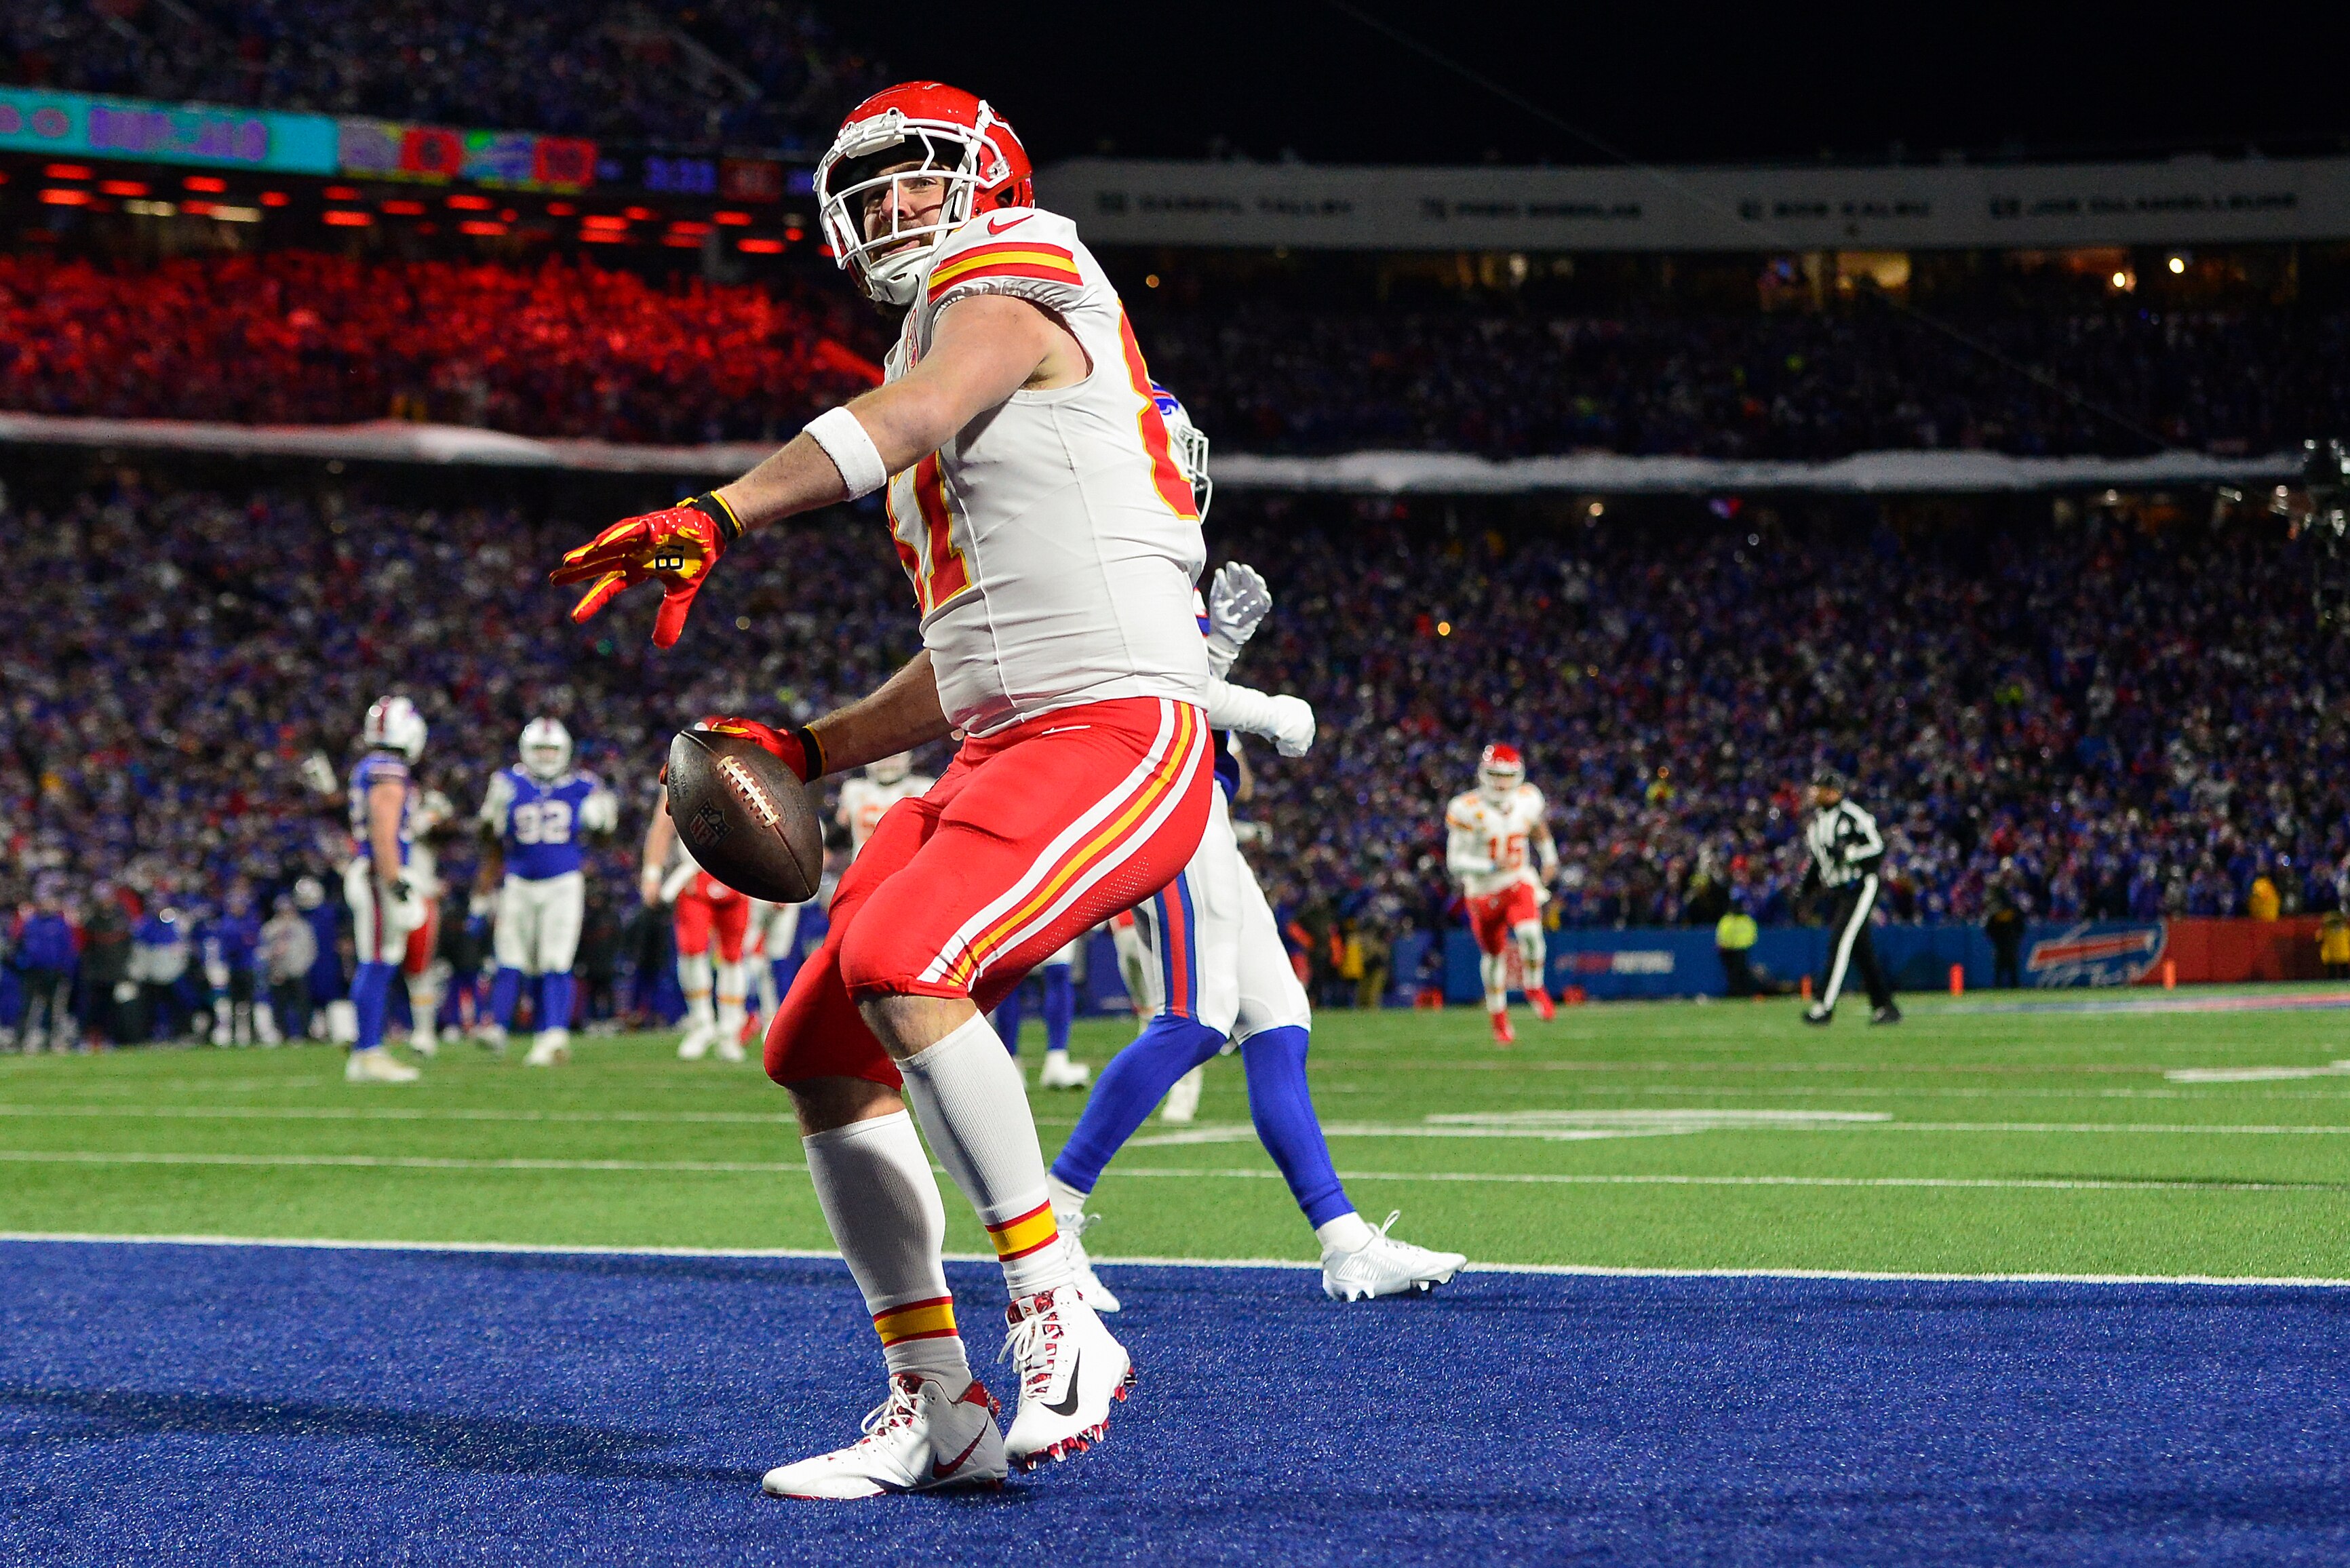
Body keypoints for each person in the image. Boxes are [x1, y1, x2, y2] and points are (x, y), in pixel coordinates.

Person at [550, 80, 1216, 1497]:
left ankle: (1056, 1308)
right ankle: (936, 1399)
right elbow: (971, 657)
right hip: (1009, 737)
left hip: (1114, 731)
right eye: (872, 186)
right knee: (816, 1044)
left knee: (911, 959)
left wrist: (715, 510)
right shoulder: (947, 347)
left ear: (986, 178)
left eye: (919, 174)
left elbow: (908, 411)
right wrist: (807, 748)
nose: (893, 204)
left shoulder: (1019, 265)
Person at [1046, 509, 1463, 1311]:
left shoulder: (1155, 552)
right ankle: (1050, 1221)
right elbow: (1147, 693)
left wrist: (1222, 653)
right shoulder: (1108, 545)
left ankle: (1344, 1242)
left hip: (1200, 795)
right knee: (1196, 1017)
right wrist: (1263, 704)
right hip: (1156, 799)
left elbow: (1177, 686)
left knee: (1279, 1018)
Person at [476, 718, 619, 1066]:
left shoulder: (584, 786)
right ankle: (498, 1026)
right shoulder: (507, 783)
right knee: (510, 955)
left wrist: (603, 820)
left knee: (556, 959)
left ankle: (553, 1034)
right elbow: (489, 839)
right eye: (539, 749)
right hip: (518, 881)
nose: (545, 756)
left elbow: (603, 838)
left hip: (563, 882)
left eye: (551, 749)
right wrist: (489, 819)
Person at [1445, 744, 1560, 1046]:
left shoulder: (1528, 798)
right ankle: (1499, 1018)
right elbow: (1455, 862)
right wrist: (1489, 865)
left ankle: (1534, 986)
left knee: (1531, 934)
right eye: (1494, 774)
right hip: (1482, 891)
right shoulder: (1466, 807)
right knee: (1493, 956)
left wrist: (1549, 856)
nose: (1500, 782)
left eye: (1506, 775)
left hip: (1517, 880)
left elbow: (1537, 827)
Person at [343, 695, 429, 1082]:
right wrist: (394, 881)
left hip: (373, 872)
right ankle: (367, 1053)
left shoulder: (372, 765)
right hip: (379, 875)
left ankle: (368, 1049)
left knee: (382, 959)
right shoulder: (388, 770)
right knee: (377, 960)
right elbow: (383, 828)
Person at [642, 802, 751, 1063]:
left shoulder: (747, 764)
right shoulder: (682, 766)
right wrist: (652, 872)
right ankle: (702, 1023)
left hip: (740, 871)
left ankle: (729, 1030)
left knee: (734, 955)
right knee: (692, 950)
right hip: (695, 874)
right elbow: (662, 823)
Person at [1800, 768, 1900, 1025]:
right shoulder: (1816, 825)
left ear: (1833, 792)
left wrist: (1850, 854)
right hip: (1838, 890)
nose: (1814, 793)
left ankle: (1824, 1006)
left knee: (1840, 941)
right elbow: (1819, 863)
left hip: (1860, 885)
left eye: (1820, 788)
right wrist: (1804, 893)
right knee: (1861, 951)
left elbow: (1878, 847)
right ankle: (1885, 1006)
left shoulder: (1852, 815)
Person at [10, 881, 79, 1053]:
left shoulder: (61, 924)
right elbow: (18, 945)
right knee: (30, 1008)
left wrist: (66, 970)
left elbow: (69, 949)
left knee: (56, 1009)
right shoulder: (30, 922)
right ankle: (24, 1041)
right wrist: (24, 965)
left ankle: (54, 1040)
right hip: (34, 972)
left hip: (56, 972)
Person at [261, 893, 318, 1044]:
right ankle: (282, 1033)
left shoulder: (303, 927)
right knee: (280, 1005)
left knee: (303, 1004)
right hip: (278, 972)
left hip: (298, 971)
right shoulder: (270, 928)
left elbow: (310, 949)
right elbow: (263, 950)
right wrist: (272, 962)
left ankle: (306, 1032)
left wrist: (302, 967)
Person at [1983, 868, 2026, 989]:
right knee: (2000, 965)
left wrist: (2018, 934)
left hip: (2009, 938)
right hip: (2001, 939)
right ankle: (2000, 985)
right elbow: (1989, 924)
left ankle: (2013, 985)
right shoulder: (1995, 906)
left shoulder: (2009, 903)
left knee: (2011, 965)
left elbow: (2019, 920)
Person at [1715, 899, 1761, 997]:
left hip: (1739, 950)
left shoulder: (1742, 920)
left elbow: (1752, 934)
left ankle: (1742, 992)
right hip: (1730, 951)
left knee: (1739, 973)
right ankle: (1737, 992)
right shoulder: (1730, 920)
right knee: (1734, 974)